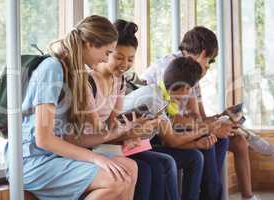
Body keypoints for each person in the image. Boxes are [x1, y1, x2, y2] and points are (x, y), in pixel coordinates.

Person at [4, 15, 138, 200]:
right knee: (116, 179)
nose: (105, 59)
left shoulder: (74, 73)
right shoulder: (52, 68)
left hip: (54, 157)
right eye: (107, 53)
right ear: (90, 44)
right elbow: (44, 140)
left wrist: (116, 133)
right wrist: (96, 158)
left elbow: (67, 138)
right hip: (31, 162)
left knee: (129, 169)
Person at [141, 26, 261, 200]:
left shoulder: (190, 71)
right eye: (209, 61)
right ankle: (212, 194)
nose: (208, 67)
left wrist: (219, 118)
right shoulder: (171, 67)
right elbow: (171, 119)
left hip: (174, 125)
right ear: (204, 53)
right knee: (211, 141)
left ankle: (213, 194)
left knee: (222, 138)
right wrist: (208, 127)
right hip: (158, 132)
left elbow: (197, 116)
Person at [88, 19, 179, 200]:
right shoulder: (89, 82)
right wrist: (127, 134)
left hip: (110, 145)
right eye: (119, 57)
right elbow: (93, 134)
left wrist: (135, 132)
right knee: (144, 170)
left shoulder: (119, 81)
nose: (125, 64)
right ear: (106, 52)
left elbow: (112, 123)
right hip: (91, 147)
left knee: (163, 163)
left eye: (130, 59)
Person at [124, 56, 213, 200]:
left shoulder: (163, 95)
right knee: (166, 162)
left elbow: (168, 138)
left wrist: (196, 143)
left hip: (141, 145)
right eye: (190, 89)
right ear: (185, 87)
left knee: (195, 156)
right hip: (127, 147)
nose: (189, 94)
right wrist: (205, 129)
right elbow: (172, 141)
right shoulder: (155, 99)